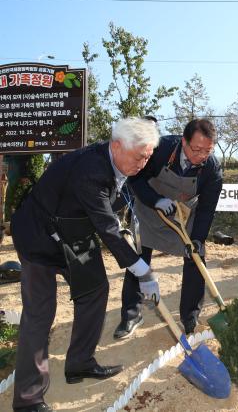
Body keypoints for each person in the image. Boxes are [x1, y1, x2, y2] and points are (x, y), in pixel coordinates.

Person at [10, 118, 161, 412]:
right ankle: (27, 401)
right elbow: (108, 228)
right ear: (116, 146)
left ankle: (79, 362)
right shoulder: (91, 170)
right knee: (40, 315)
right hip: (38, 236)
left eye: (147, 156)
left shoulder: (122, 163)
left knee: (95, 290)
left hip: (74, 233)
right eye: (139, 156)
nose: (143, 163)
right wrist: (143, 270)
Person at [114, 118, 223, 338]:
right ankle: (131, 314)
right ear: (184, 141)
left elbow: (207, 208)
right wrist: (156, 200)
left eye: (207, 151)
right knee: (139, 259)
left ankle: (190, 318)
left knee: (196, 256)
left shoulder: (212, 169)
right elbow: (136, 179)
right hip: (150, 209)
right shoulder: (160, 149)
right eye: (197, 149)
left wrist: (198, 239)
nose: (201, 156)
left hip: (183, 215)